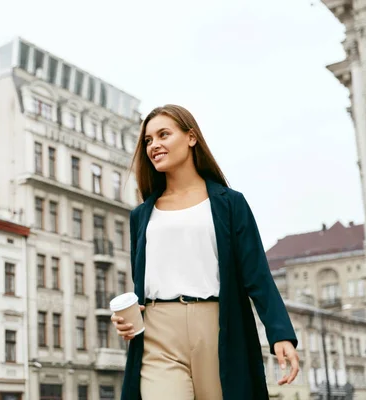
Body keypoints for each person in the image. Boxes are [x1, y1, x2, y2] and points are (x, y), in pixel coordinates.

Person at [111, 104, 299, 400]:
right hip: (158, 335)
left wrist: (281, 334)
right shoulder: (141, 215)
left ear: (191, 137)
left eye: (163, 134)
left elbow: (257, 276)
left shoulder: (229, 204)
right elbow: (143, 283)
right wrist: (128, 317)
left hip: (218, 330)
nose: (154, 145)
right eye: (148, 140)